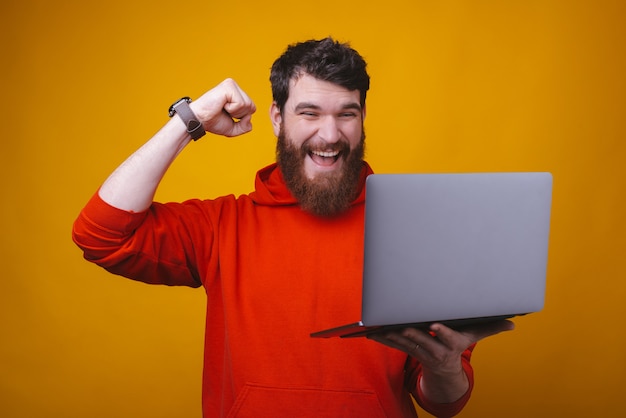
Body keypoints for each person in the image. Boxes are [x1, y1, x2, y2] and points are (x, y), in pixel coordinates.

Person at [72, 37, 514, 417]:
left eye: (347, 113)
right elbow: (101, 234)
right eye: (309, 113)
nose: (330, 134)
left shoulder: (418, 235)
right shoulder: (222, 225)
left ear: (362, 119)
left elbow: (444, 403)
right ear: (277, 118)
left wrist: (445, 366)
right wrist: (190, 120)